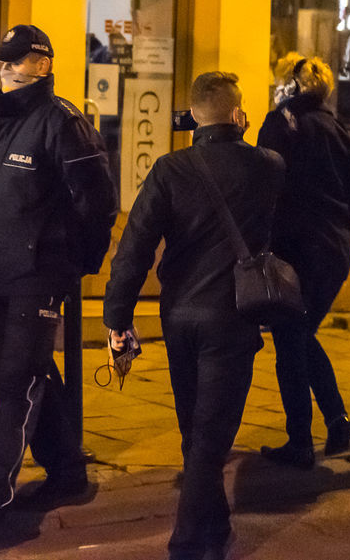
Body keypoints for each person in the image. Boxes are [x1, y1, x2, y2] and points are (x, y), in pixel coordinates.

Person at [0, 24, 116, 539]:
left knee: (17, 382)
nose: (5, 70)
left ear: (42, 64)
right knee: (24, 373)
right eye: (1, 62)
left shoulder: (62, 122)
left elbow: (99, 203)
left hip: (37, 275)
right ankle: (68, 473)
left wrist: (74, 262)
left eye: (15, 62)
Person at [104, 71, 284, 560]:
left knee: (194, 426)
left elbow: (135, 247)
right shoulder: (268, 165)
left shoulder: (170, 169)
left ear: (192, 117)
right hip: (233, 314)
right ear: (239, 114)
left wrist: (117, 316)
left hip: (179, 312)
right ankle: (186, 541)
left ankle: (214, 522)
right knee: (211, 432)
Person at [256, 54, 350, 468]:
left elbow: (262, 182)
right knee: (301, 334)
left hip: (294, 249)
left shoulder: (282, 123)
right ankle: (337, 421)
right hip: (335, 249)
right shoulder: (340, 130)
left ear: (289, 86)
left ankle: (300, 440)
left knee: (290, 340)